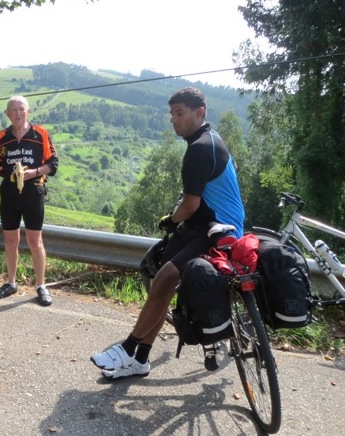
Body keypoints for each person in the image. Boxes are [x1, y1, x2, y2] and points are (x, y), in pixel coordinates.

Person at [90, 87, 245, 379]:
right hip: (199, 224)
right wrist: (178, 221)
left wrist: (172, 219)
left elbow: (190, 204)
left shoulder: (200, 148)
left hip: (218, 229)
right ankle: (140, 359)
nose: (173, 119)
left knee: (164, 280)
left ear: (200, 112)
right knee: (160, 283)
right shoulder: (209, 139)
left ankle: (128, 348)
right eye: (172, 113)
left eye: (180, 113)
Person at [0, 95, 59, 306]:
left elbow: (53, 164)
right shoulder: (1, 137)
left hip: (33, 192)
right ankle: (11, 283)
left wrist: (33, 173)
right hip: (9, 193)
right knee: (10, 241)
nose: (18, 113)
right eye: (14, 110)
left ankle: (41, 286)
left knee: (35, 242)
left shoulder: (40, 133)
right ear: (7, 114)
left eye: (22, 109)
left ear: (28, 112)